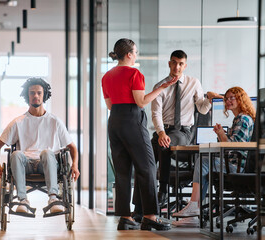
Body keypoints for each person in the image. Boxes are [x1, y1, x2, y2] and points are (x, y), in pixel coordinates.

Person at [102, 38, 178, 231]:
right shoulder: (134, 73)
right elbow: (141, 102)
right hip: (132, 120)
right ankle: (150, 216)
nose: (136, 55)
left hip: (115, 122)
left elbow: (109, 105)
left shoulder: (107, 76)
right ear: (129, 54)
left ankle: (125, 217)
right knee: (148, 167)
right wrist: (161, 88)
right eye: (135, 52)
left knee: (122, 171)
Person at [0, 77, 80, 214]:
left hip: (47, 163)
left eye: (39, 93)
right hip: (25, 165)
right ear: (27, 96)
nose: (35, 96)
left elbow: (72, 147)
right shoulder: (18, 122)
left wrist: (74, 165)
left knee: (47, 152)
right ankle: (23, 200)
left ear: (44, 95)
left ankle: (53, 199)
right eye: (32, 93)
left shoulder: (54, 121)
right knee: (16, 154)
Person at [172, 86, 255, 227]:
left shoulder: (243, 118)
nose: (228, 101)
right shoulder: (239, 118)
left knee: (204, 161)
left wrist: (222, 134)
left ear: (240, 99)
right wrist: (221, 134)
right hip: (233, 164)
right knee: (205, 163)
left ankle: (194, 207)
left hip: (235, 167)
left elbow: (233, 147)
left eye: (231, 98)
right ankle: (194, 213)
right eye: (226, 98)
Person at [150, 50, 222, 208]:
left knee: (165, 144)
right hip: (163, 129)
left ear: (185, 66)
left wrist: (209, 99)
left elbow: (202, 109)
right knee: (145, 155)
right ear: (169, 63)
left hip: (183, 131)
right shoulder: (160, 86)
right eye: (174, 62)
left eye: (181, 63)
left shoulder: (193, 83)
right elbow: (155, 113)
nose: (177, 67)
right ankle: (143, 204)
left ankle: (162, 190)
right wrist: (161, 132)